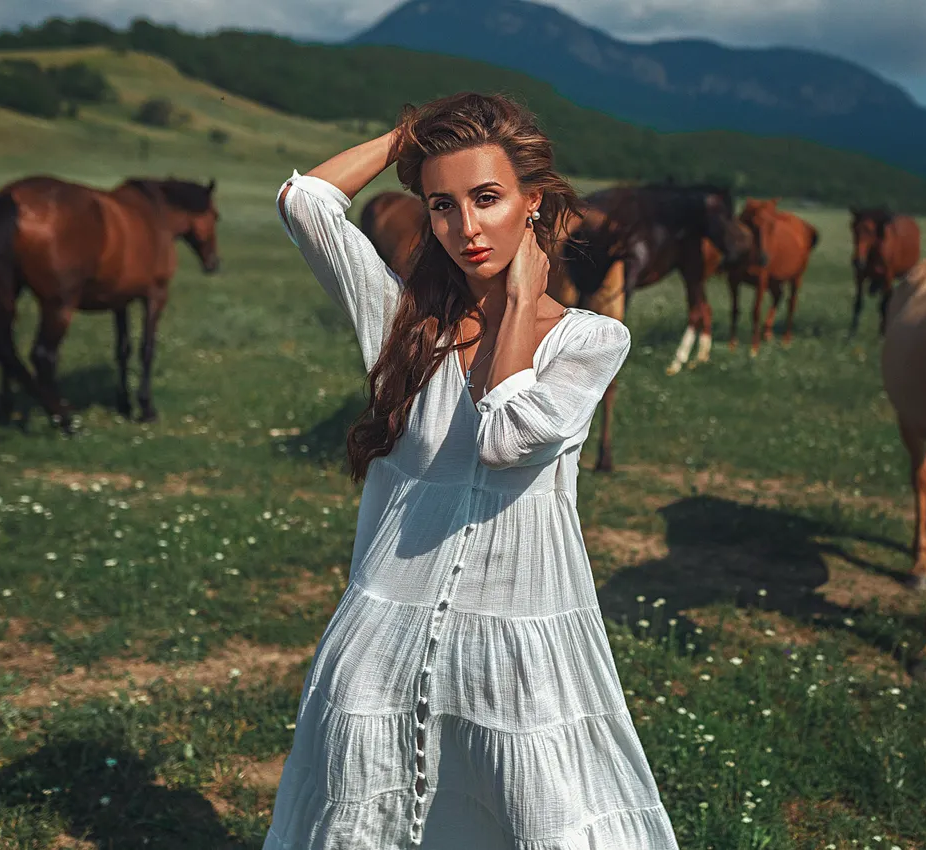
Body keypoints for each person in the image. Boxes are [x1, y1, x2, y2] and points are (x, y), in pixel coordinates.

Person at [265, 92, 679, 849]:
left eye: (487, 198)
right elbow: (307, 203)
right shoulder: (401, 326)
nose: (465, 227)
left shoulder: (592, 340)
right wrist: (407, 136)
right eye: (441, 205)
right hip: (380, 637)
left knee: (539, 823)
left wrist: (521, 301)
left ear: (532, 204)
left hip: (521, 644)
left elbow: (509, 435)